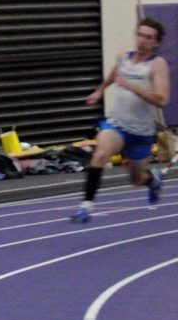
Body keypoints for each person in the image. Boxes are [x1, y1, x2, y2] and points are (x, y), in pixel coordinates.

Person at [71, 18, 171, 222]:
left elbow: (162, 100)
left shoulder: (157, 65)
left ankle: (152, 180)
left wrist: (132, 86)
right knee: (99, 155)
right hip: (117, 124)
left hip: (141, 132)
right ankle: (85, 207)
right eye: (140, 35)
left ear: (156, 43)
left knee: (136, 179)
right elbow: (114, 74)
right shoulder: (124, 58)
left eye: (148, 37)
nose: (142, 41)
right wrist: (99, 91)